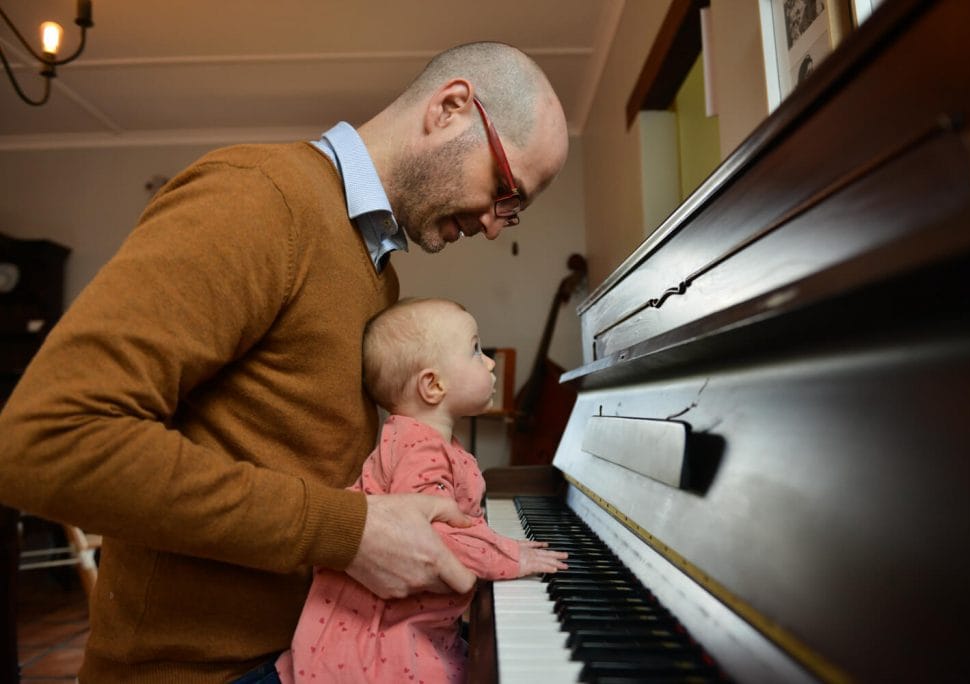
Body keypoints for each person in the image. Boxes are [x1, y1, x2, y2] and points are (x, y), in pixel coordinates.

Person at [0, 41, 568, 682]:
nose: (496, 224)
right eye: (505, 190)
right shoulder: (258, 198)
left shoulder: (379, 280)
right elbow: (44, 441)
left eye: (514, 213)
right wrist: (350, 532)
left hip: (311, 653)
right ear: (451, 108)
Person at [276, 297, 568, 683]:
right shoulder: (421, 449)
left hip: (406, 624)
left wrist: (498, 544)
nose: (490, 362)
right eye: (476, 350)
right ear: (433, 385)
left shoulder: (424, 440)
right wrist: (512, 556)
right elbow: (433, 537)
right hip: (385, 649)